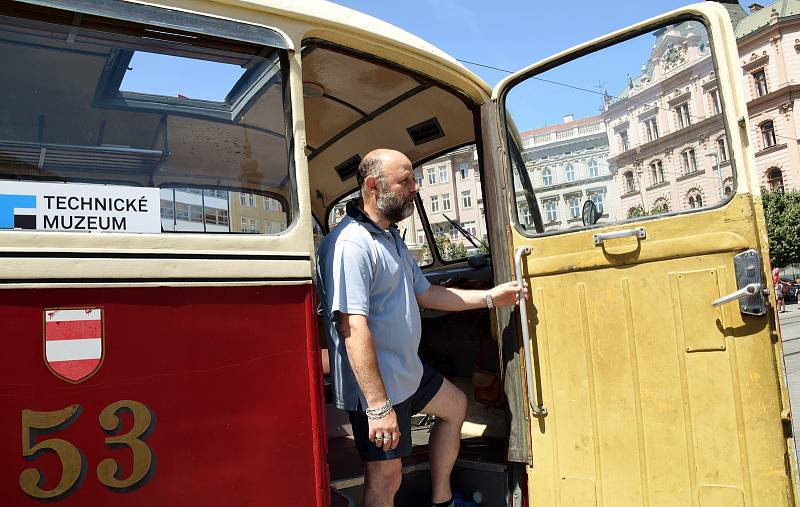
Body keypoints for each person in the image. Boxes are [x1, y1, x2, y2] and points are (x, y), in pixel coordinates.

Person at [317, 149, 527, 507]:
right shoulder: (351, 245)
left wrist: (491, 297)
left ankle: (441, 500)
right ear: (372, 185)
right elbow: (352, 328)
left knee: (456, 406)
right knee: (386, 477)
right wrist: (378, 407)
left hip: (407, 373)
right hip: (377, 385)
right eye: (406, 181)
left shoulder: (390, 237)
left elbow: (427, 293)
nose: (416, 188)